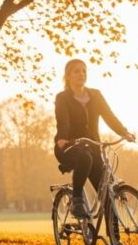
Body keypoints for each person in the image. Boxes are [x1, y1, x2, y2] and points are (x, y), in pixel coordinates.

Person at [54, 58, 135, 218]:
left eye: (84, 70)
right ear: (68, 76)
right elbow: (63, 120)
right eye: (76, 71)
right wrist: (63, 138)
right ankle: (77, 201)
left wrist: (124, 132)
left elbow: (109, 116)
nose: (81, 74)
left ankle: (116, 241)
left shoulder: (95, 95)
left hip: (93, 147)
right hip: (69, 147)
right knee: (85, 158)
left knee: (107, 193)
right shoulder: (63, 97)